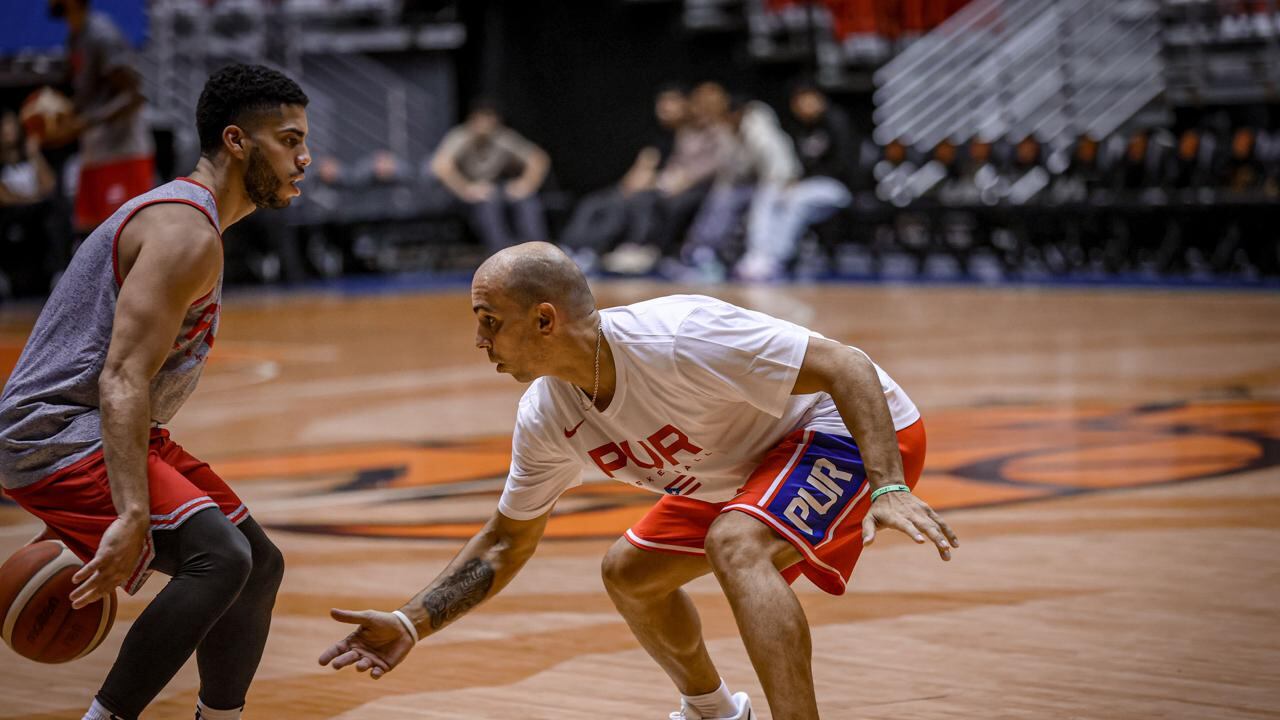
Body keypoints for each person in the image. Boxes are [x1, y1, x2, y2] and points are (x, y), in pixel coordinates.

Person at [320, 242, 957, 720]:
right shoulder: (548, 414)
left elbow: (846, 366)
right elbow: (502, 543)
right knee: (630, 574)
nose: (478, 339)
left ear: (545, 320)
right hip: (737, 469)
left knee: (737, 543)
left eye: (490, 319)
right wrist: (410, 623)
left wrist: (889, 484)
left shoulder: (679, 337)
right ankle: (713, 712)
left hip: (848, 430)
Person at [0, 64, 311, 720]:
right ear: (235, 141)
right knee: (219, 558)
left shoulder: (193, 225)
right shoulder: (183, 233)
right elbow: (120, 377)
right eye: (288, 140)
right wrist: (132, 514)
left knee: (258, 565)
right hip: (55, 430)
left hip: (101, 424)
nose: (303, 158)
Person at [44, 0, 154, 235]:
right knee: (92, 236)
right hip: (96, 152)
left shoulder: (101, 34)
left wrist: (83, 123)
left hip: (123, 154)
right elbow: (89, 97)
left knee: (126, 237)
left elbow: (133, 96)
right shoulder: (76, 36)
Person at [559, 85, 687, 268]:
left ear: (685, 104)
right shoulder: (657, 137)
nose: (664, 107)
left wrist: (647, 184)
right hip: (639, 188)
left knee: (622, 206)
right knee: (593, 202)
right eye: (662, 102)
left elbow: (678, 176)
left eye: (671, 102)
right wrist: (627, 186)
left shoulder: (687, 138)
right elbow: (643, 166)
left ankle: (595, 251)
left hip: (661, 192)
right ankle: (570, 248)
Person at [738, 84, 855, 282]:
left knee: (796, 200)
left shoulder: (836, 122)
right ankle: (757, 254)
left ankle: (777, 258)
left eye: (810, 99)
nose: (806, 105)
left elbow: (844, 165)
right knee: (769, 192)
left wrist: (802, 181)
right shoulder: (796, 128)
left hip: (836, 187)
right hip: (805, 186)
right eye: (800, 101)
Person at [430, 99, 550, 252]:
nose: (486, 124)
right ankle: (502, 254)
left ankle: (538, 251)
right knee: (488, 204)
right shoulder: (460, 136)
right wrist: (466, 189)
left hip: (496, 187)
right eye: (482, 118)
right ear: (473, 119)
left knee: (527, 200)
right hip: (466, 193)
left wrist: (525, 184)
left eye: (490, 118)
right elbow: (440, 166)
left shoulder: (502, 137)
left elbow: (538, 158)